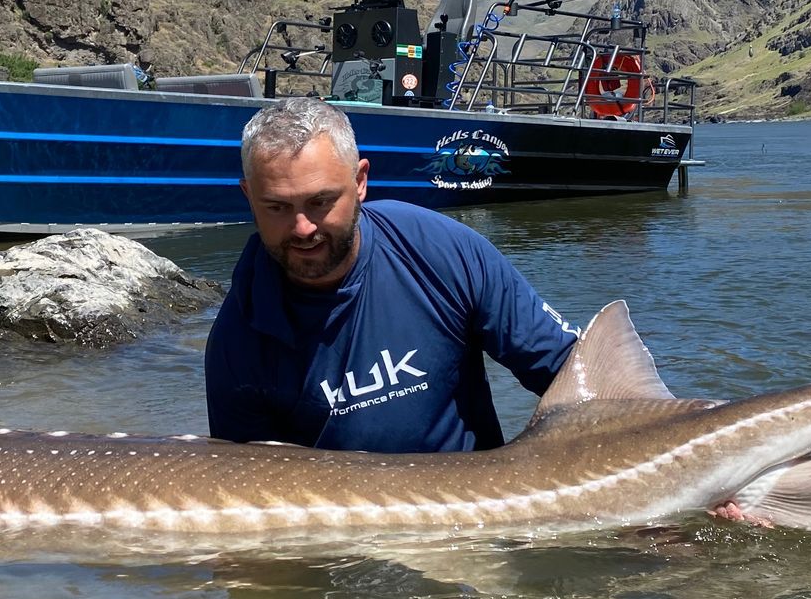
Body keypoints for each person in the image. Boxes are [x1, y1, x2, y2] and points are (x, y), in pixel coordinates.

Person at [204, 97, 579, 453]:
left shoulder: (439, 250)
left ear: (360, 182)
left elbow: (576, 374)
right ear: (249, 196)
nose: (302, 227)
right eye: (277, 207)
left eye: (320, 202)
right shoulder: (237, 342)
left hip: (486, 505)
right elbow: (255, 489)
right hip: (348, 515)